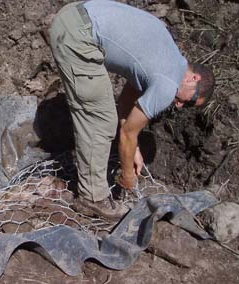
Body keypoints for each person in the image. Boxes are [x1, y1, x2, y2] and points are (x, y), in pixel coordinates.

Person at [48, 0, 214, 220]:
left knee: (106, 116)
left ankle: (92, 189)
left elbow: (128, 102)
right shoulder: (167, 85)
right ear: (194, 78)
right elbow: (128, 134)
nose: (181, 105)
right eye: (191, 101)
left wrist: (132, 148)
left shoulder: (167, 56)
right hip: (77, 36)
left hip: (75, 16)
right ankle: (92, 199)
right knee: (100, 121)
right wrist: (127, 176)